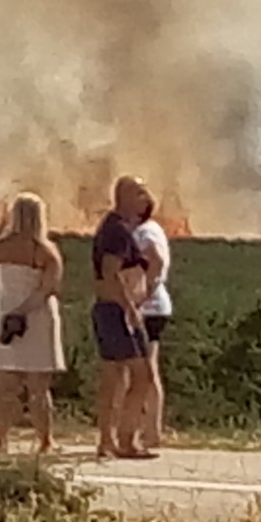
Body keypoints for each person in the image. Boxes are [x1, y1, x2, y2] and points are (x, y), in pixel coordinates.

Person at [0, 192, 65, 456]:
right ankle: (45, 441)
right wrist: (24, 310)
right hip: (37, 317)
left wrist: (10, 307)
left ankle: (1, 441)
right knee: (38, 385)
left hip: (5, 312)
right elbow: (48, 288)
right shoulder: (45, 251)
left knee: (5, 383)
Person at [92, 175, 156, 459]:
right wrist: (129, 307)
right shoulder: (116, 231)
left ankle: (110, 439)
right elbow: (110, 271)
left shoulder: (117, 228)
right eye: (140, 194)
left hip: (114, 308)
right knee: (140, 374)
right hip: (117, 310)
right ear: (125, 197)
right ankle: (124, 439)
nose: (145, 200)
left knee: (116, 377)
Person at [134, 191, 174, 450]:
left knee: (145, 370)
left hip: (148, 309)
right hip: (155, 307)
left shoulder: (144, 233)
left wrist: (142, 295)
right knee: (145, 368)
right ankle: (145, 428)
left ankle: (151, 430)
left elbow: (156, 261)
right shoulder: (153, 228)